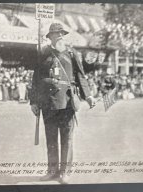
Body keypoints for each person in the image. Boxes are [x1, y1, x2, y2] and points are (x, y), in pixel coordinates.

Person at [30, 23, 96, 184]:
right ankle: (52, 171)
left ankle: (65, 172)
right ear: (50, 37)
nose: (59, 36)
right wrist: (33, 101)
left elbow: (81, 77)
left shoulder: (72, 54)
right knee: (51, 138)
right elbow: (35, 79)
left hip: (66, 102)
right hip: (47, 103)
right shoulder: (43, 53)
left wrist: (88, 96)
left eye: (61, 33)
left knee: (67, 138)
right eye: (55, 33)